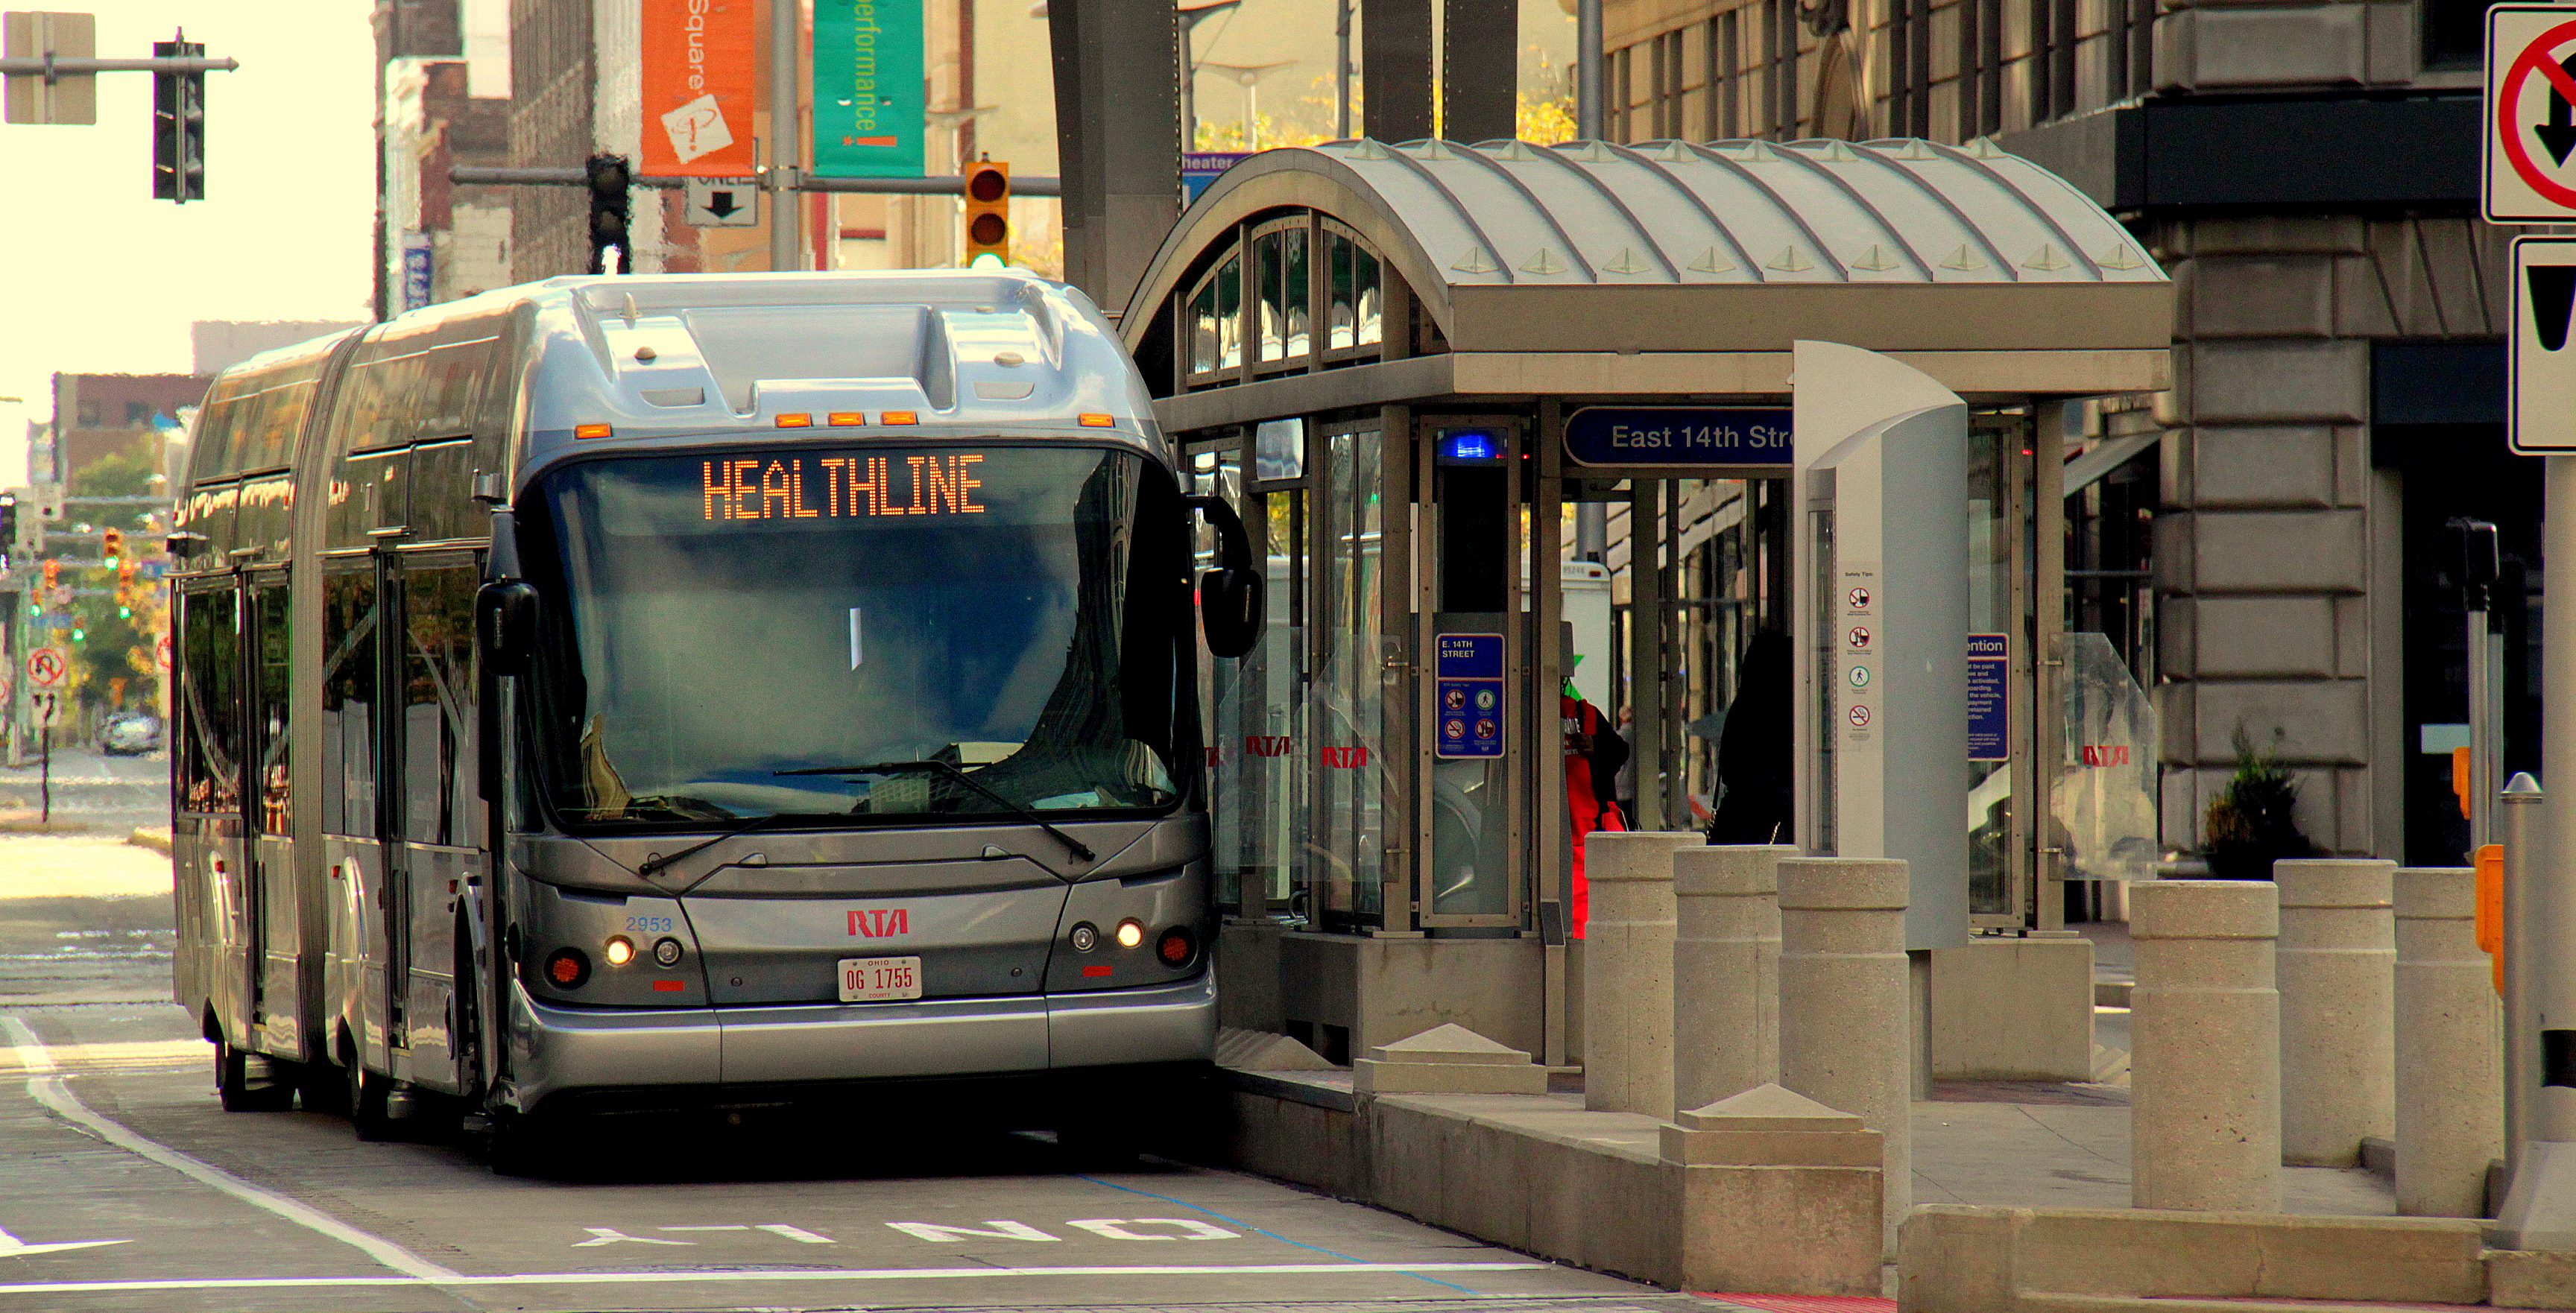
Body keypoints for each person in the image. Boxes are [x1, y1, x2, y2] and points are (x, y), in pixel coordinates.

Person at [1706, 630, 1793, 845]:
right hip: (1763, 826)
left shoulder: (1741, 708)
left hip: (1735, 823)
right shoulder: (1781, 714)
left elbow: (1730, 770)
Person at [1562, 684, 1627, 939]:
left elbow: (1619, 751)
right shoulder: (1586, 714)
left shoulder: (1585, 714)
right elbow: (1620, 751)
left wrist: (1594, 747)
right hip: (1588, 834)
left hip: (1581, 834)